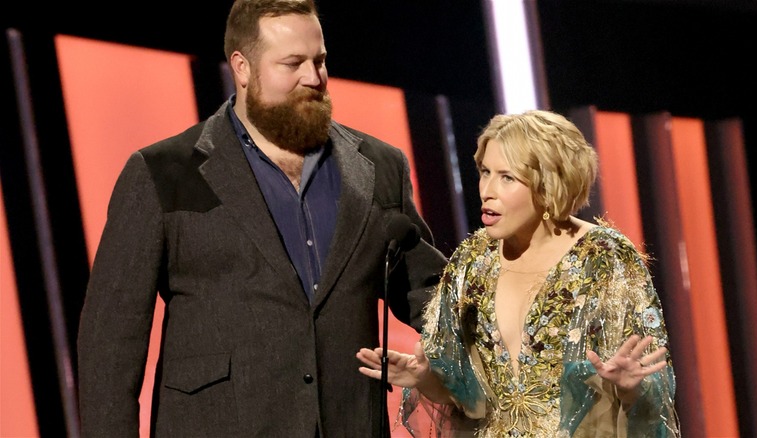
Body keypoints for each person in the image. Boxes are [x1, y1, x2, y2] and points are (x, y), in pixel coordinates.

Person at [76, 0, 448, 436]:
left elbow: (434, 297)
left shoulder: (380, 166)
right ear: (243, 67)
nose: (314, 78)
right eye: (293, 63)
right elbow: (109, 346)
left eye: (320, 61)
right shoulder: (163, 172)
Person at [357, 110, 681, 437]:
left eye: (507, 177)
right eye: (485, 172)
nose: (487, 190)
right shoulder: (472, 261)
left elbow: (649, 396)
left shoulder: (603, 258)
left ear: (549, 183)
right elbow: (470, 403)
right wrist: (424, 378)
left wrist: (628, 388)